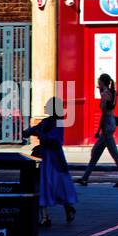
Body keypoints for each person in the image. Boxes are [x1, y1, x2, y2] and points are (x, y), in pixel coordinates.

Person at [23, 97, 77, 226]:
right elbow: (35, 129)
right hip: (46, 157)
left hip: (54, 158)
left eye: (48, 106)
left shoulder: (58, 124)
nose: (45, 108)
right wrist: (28, 132)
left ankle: (66, 208)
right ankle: (45, 216)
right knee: (45, 186)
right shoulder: (46, 121)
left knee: (57, 185)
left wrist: (41, 135)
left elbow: (56, 140)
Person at [77, 74, 118, 187]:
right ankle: (85, 178)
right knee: (96, 153)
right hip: (112, 122)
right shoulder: (113, 92)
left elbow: (104, 113)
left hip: (107, 125)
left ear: (102, 82)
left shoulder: (105, 94)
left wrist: (100, 129)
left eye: (99, 82)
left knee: (113, 154)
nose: (97, 84)